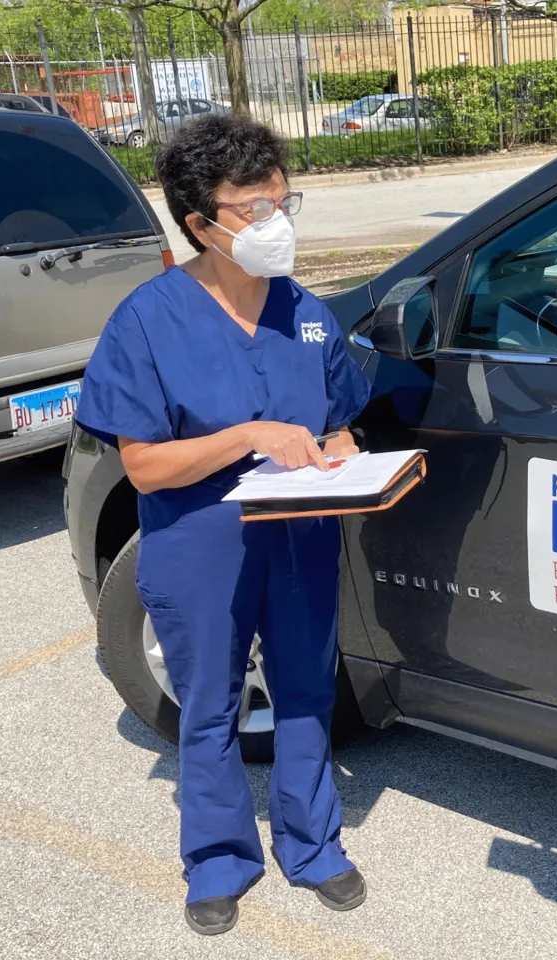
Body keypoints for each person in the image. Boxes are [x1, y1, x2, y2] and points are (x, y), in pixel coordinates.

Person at [75, 115, 372, 936]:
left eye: (283, 202)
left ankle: (314, 847)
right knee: (210, 705)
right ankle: (216, 858)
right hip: (200, 545)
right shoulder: (147, 320)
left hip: (300, 540)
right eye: (254, 209)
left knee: (309, 690)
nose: (275, 223)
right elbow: (144, 466)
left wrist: (345, 454)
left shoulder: (306, 312)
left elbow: (341, 419)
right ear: (200, 222)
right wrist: (246, 436)